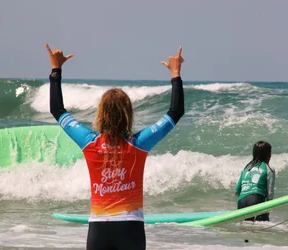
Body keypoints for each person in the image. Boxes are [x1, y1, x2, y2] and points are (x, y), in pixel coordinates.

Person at [45, 43, 185, 250]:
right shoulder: (139, 144)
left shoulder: (89, 142)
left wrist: (56, 69)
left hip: (100, 230)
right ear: (129, 113)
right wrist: (175, 73)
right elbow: (175, 112)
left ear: (101, 114)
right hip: (132, 229)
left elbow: (57, 110)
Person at [235, 141, 275, 222]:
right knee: (263, 228)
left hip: (241, 202)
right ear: (268, 154)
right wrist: (267, 210)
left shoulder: (246, 169)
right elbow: (270, 194)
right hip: (256, 199)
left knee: (246, 228)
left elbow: (237, 191)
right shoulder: (269, 169)